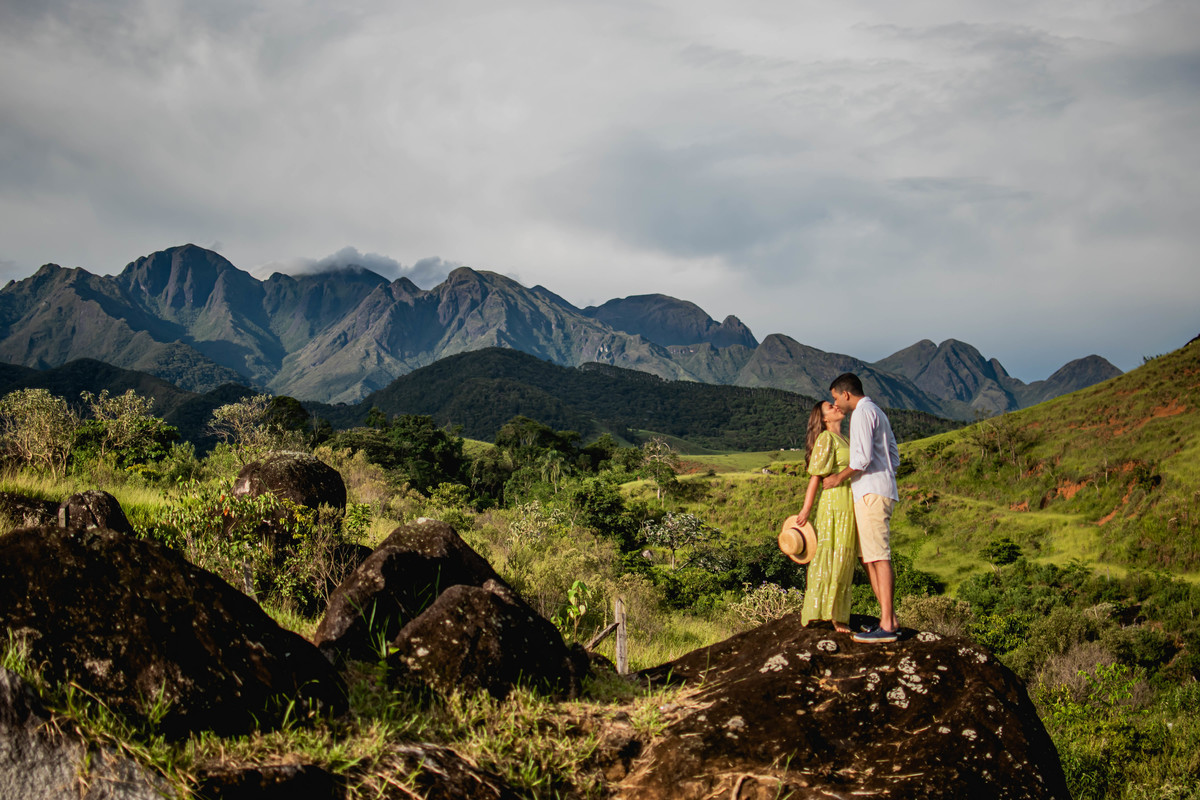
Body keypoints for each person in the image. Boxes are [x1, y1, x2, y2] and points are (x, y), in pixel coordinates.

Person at [823, 373, 901, 643]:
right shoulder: (877, 411)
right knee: (869, 556)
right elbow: (894, 456)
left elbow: (862, 459)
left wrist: (837, 479)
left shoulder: (860, 413)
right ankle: (886, 618)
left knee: (878, 556)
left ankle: (889, 623)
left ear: (846, 394)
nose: (836, 404)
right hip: (881, 489)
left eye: (835, 398)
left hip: (870, 492)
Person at [796, 400, 857, 633]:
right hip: (833, 504)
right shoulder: (826, 439)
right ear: (824, 419)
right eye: (830, 407)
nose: (836, 407)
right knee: (829, 555)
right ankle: (821, 613)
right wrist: (805, 510)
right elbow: (815, 477)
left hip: (848, 503)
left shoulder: (845, 440)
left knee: (844, 558)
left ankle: (837, 614)